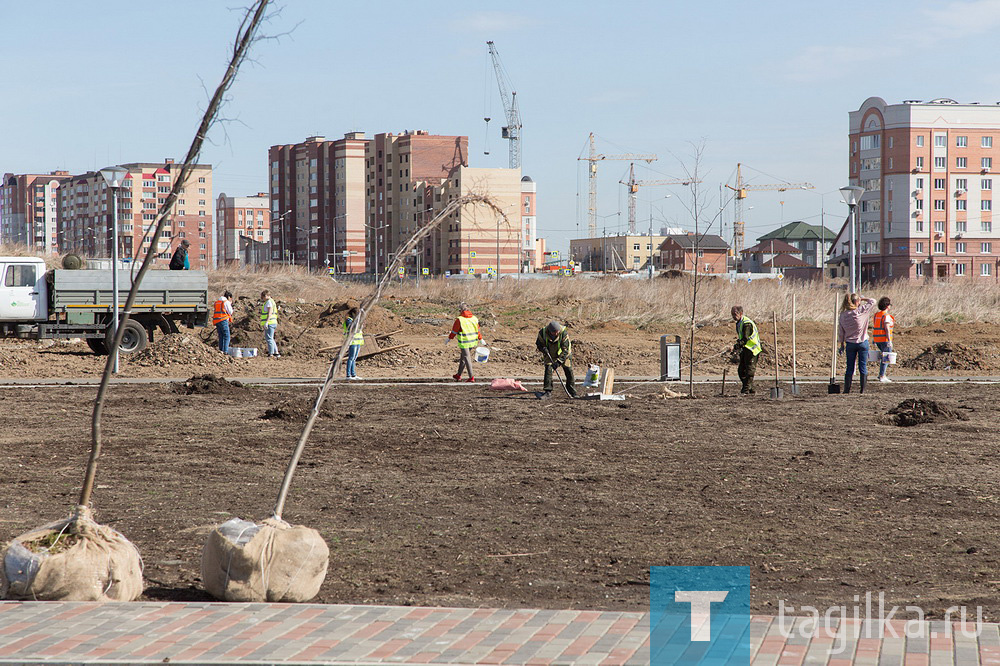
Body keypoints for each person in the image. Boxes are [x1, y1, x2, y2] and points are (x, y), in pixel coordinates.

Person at [838, 292, 877, 394]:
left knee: (849, 367)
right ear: (857, 302)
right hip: (862, 343)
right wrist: (863, 299)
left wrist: (841, 344)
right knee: (862, 366)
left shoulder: (843, 315)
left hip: (850, 343)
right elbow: (873, 301)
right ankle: (862, 390)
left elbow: (841, 332)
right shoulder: (861, 311)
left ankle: (847, 390)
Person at [536, 320, 577, 398]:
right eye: (554, 332)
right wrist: (543, 349)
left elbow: (565, 350)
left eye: (557, 331)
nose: (556, 333)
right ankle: (547, 391)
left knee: (568, 371)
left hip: (564, 355)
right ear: (550, 331)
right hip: (550, 354)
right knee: (548, 369)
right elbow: (539, 343)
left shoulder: (563, 333)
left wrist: (558, 362)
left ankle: (573, 392)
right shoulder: (543, 332)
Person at [731, 306, 762, 395]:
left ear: (740, 313)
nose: (733, 316)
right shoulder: (739, 323)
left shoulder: (746, 324)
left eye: (735, 314)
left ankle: (746, 389)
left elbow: (745, 338)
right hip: (745, 348)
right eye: (732, 314)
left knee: (749, 370)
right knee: (741, 370)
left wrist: (737, 346)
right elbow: (741, 338)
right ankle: (750, 388)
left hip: (752, 349)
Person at [448, 305, 481, 382]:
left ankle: (471, 377)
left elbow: (454, 331)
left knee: (466, 357)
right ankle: (458, 375)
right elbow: (478, 330)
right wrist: (480, 338)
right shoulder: (474, 318)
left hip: (464, 341)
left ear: (461, 311)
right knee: (463, 357)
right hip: (472, 341)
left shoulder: (459, 320)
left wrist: (449, 338)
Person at [873, 296, 895, 383]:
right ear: (887, 306)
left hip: (877, 339)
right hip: (884, 339)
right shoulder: (886, 316)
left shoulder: (876, 315)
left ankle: (881, 374)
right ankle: (882, 375)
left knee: (883, 357)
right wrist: (889, 340)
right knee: (886, 358)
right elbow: (886, 328)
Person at [344, 307, 364, 380]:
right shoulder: (349, 320)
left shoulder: (356, 321)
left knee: (354, 358)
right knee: (351, 358)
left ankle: (353, 374)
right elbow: (352, 329)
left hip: (358, 341)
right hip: (352, 341)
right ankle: (348, 375)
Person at [260, 290, 279, 358]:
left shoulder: (268, 302)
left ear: (266, 296)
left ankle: (271, 353)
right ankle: (276, 353)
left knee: (269, 338)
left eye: (263, 297)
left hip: (270, 322)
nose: (262, 299)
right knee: (271, 338)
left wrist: (267, 322)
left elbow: (269, 313)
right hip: (273, 322)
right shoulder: (272, 301)